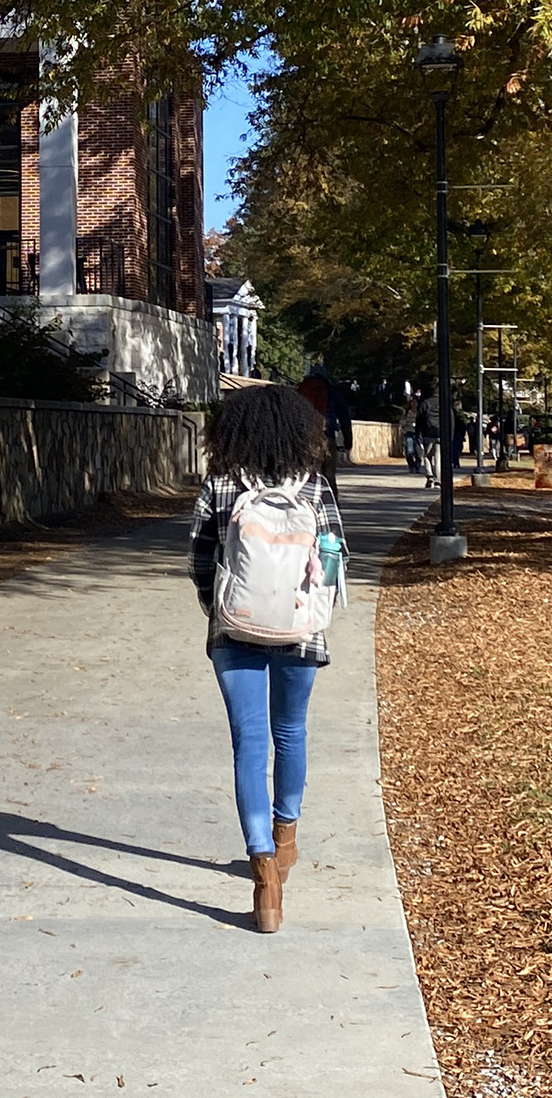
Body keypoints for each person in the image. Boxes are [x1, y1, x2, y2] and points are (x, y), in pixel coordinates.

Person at [189, 383, 347, 934]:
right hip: (301, 633)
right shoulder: (317, 488)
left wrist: (222, 609)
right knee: (291, 733)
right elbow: (332, 564)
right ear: (299, 433)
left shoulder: (221, 485)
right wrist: (303, 606)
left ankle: (264, 881)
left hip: (235, 632)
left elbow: (200, 559)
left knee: (249, 743)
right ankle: (286, 840)